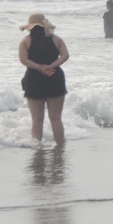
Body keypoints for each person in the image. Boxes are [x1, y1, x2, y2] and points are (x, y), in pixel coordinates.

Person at [18, 13, 69, 145]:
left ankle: (37, 149)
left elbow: (23, 60)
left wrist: (40, 68)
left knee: (37, 120)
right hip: (55, 76)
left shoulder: (25, 41)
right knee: (56, 118)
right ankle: (60, 146)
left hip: (34, 79)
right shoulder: (57, 39)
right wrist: (51, 66)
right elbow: (65, 55)